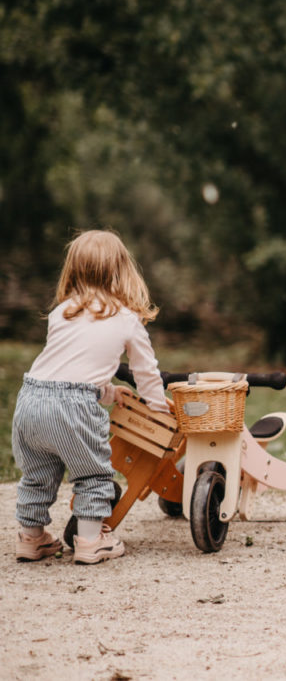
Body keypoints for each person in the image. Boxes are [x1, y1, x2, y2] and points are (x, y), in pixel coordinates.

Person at [12, 230, 171, 565]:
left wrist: (110, 392)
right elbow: (146, 372)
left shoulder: (62, 312)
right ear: (121, 271)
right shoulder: (128, 319)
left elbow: (67, 373)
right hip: (72, 408)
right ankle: (89, 542)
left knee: (37, 474)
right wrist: (158, 408)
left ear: (74, 270)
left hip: (30, 400)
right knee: (93, 475)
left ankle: (31, 538)